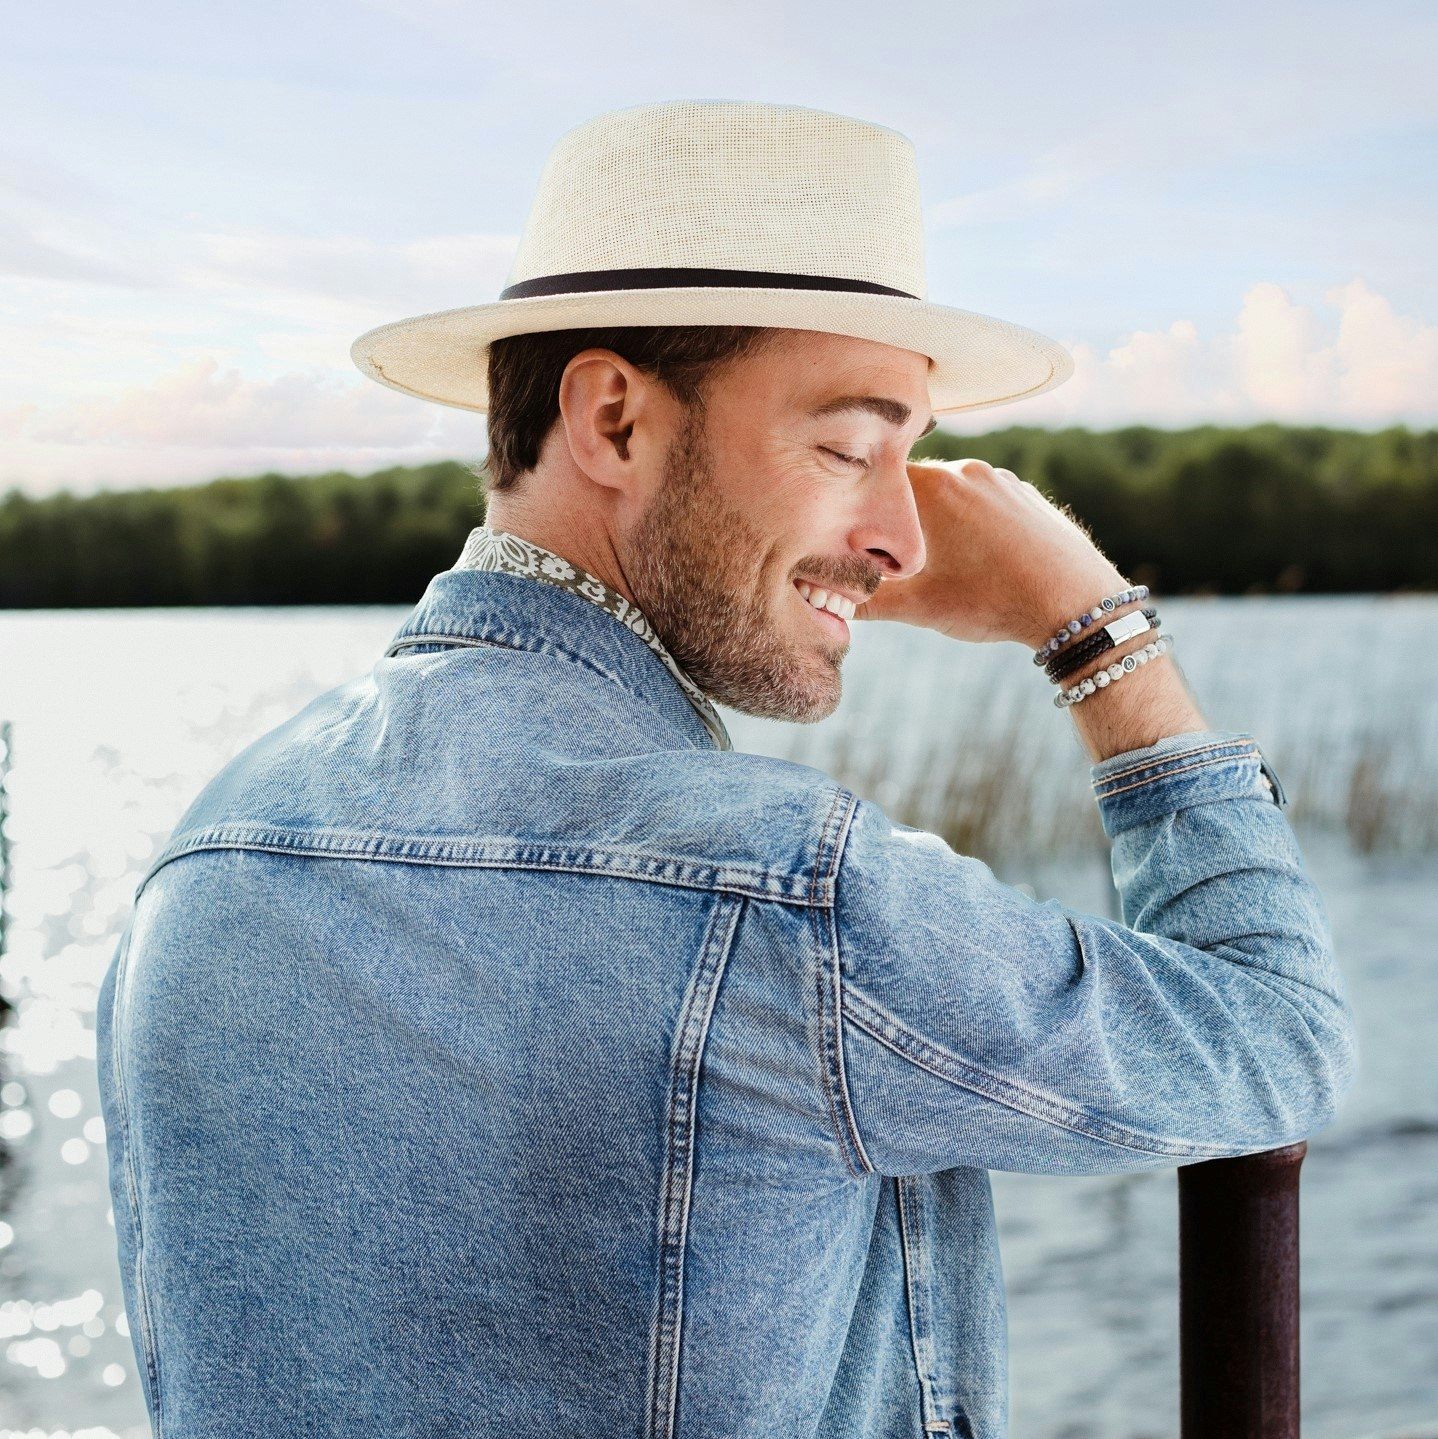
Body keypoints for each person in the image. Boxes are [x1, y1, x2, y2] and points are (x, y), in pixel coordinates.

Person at [95, 100, 1357, 1439]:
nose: (895, 534)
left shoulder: (202, 861)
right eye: (847, 445)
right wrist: (1099, 634)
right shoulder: (780, 896)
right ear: (614, 422)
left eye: (910, 458)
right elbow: (1274, 1040)